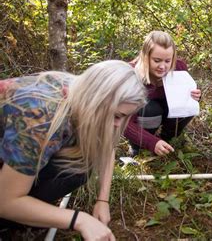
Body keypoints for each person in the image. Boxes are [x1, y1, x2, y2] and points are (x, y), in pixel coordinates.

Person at [0, 60, 147, 240]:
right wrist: (79, 220)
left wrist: (103, 200)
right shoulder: (40, 119)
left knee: (80, 168)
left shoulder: (79, 90)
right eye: (116, 116)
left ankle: (24, 215)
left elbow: (108, 146)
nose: (117, 124)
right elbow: (4, 201)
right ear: (96, 100)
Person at [124, 31, 201, 156]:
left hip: (167, 109)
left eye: (167, 61)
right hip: (146, 112)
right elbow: (125, 123)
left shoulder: (179, 68)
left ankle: (168, 139)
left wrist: (194, 96)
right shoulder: (131, 76)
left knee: (186, 102)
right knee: (149, 109)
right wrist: (151, 142)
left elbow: (188, 99)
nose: (162, 66)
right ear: (145, 57)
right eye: (157, 60)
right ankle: (138, 147)